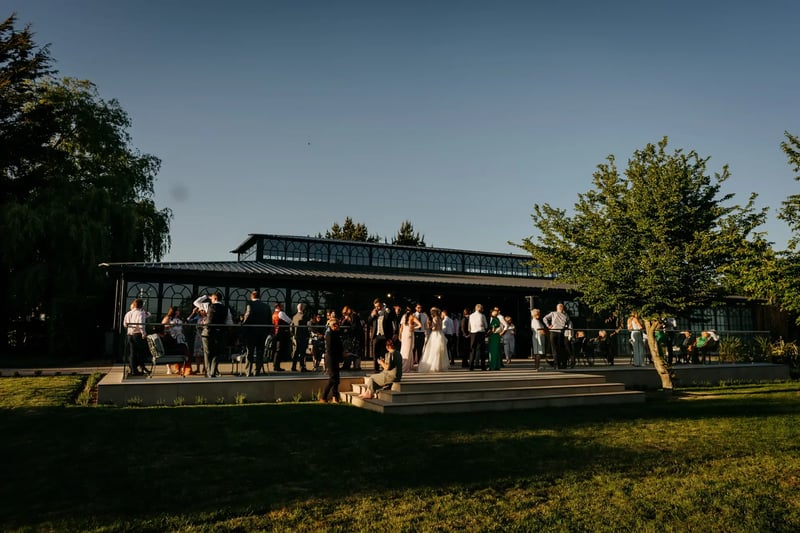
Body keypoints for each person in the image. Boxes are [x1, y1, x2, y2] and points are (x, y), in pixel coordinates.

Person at [194, 291, 232, 378]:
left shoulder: (208, 305)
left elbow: (196, 302)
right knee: (216, 353)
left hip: (207, 332)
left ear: (214, 298)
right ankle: (213, 372)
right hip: (220, 333)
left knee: (207, 352)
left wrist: (206, 296)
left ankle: (208, 373)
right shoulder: (226, 309)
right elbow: (229, 322)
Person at [242, 291, 270, 376]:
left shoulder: (250, 304)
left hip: (251, 332)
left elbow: (247, 316)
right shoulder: (266, 306)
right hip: (262, 333)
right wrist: (267, 331)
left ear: (251, 297)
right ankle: (257, 371)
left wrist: (243, 326)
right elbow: (269, 320)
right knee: (260, 352)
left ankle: (248, 371)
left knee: (249, 352)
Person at [367, 298, 395, 372]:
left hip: (385, 335)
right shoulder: (374, 312)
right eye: (375, 306)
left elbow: (393, 320)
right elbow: (369, 321)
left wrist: (394, 333)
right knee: (375, 353)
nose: (377, 308)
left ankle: (385, 367)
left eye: (378, 306)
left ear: (382, 304)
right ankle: (376, 368)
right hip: (376, 335)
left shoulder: (387, 311)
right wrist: (372, 315)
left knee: (385, 352)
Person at [418, 307, 449, 373]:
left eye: (432, 312)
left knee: (433, 350)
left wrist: (429, 326)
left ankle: (434, 366)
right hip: (440, 334)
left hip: (435, 334)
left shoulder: (435, 318)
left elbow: (434, 328)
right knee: (439, 351)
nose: (431, 313)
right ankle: (439, 366)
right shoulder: (440, 318)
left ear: (434, 312)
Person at [320, 319, 344, 403]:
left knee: (336, 378)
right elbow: (330, 348)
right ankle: (324, 396)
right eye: (337, 325)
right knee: (333, 378)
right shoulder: (329, 334)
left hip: (335, 357)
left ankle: (335, 396)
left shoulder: (335, 333)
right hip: (331, 358)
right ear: (334, 325)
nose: (339, 327)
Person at [123, 299, 149, 376]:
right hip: (137, 334)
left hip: (129, 334)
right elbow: (141, 324)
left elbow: (125, 324)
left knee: (132, 352)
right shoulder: (140, 313)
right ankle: (138, 368)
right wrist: (144, 333)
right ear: (141, 305)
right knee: (139, 352)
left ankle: (133, 369)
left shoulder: (128, 313)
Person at [543, 303, 572, 369]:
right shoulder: (565, 315)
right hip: (561, 332)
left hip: (553, 331)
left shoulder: (553, 313)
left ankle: (556, 364)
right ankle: (560, 363)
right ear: (563, 308)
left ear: (557, 308)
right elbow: (568, 323)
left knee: (554, 348)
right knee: (559, 348)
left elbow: (544, 318)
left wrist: (548, 325)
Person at [399, 307, 421, 373]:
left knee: (403, 350)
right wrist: (414, 327)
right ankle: (406, 367)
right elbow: (420, 325)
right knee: (408, 350)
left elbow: (401, 327)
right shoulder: (412, 317)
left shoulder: (403, 316)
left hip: (404, 334)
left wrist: (399, 335)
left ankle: (404, 365)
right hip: (409, 334)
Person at [272, 303, 293, 371]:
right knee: (279, 350)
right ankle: (277, 366)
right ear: (278, 306)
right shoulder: (281, 313)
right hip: (281, 333)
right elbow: (289, 321)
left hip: (275, 333)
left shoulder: (274, 314)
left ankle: (275, 364)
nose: (283, 307)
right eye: (282, 306)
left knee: (276, 350)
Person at [186, 307, 206, 374]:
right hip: (198, 336)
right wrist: (193, 313)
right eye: (201, 311)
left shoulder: (208, 317)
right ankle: (198, 368)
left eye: (203, 310)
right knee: (197, 354)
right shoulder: (198, 318)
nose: (202, 312)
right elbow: (188, 320)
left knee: (204, 353)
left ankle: (205, 368)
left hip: (205, 336)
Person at [469, 304, 488, 371]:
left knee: (472, 349)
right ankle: (483, 366)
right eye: (482, 308)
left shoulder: (471, 316)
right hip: (480, 332)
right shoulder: (482, 316)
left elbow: (469, 325)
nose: (482, 309)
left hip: (473, 333)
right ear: (479, 308)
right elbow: (486, 325)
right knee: (482, 350)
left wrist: (470, 332)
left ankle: (471, 366)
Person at [291, 303, 309, 372]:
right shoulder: (304, 316)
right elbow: (307, 327)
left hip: (296, 336)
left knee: (296, 351)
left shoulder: (294, 316)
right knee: (302, 352)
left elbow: (291, 327)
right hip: (303, 336)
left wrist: (293, 334)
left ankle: (293, 366)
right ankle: (302, 366)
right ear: (303, 308)